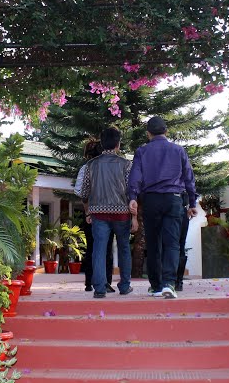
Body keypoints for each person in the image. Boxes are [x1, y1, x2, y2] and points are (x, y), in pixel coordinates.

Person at [128, 116, 198, 299]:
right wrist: (192, 202)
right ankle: (169, 283)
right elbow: (189, 177)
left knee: (153, 244)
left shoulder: (142, 151)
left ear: (148, 133)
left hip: (150, 200)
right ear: (166, 131)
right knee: (172, 243)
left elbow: (135, 176)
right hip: (174, 200)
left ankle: (156, 286)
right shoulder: (178, 150)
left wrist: (133, 197)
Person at [79, 126, 137, 297]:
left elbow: (84, 193)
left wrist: (89, 212)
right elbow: (131, 192)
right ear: (118, 144)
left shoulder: (91, 165)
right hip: (122, 214)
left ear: (102, 143)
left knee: (99, 249)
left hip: (99, 214)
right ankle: (125, 286)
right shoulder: (127, 165)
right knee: (124, 248)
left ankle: (99, 289)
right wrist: (134, 217)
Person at [75, 139, 113, 293]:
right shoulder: (111, 167)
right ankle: (106, 281)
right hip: (110, 213)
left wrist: (87, 211)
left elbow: (81, 193)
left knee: (92, 248)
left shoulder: (86, 168)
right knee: (107, 249)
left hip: (92, 213)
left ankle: (89, 282)